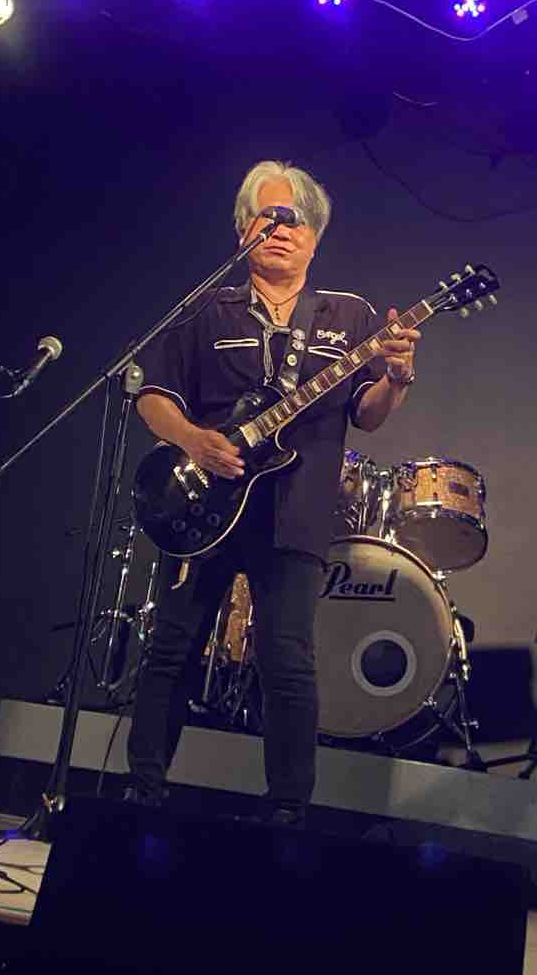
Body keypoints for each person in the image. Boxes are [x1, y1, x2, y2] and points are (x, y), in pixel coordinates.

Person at [126, 160, 420, 825]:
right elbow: (151, 397)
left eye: (297, 221)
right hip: (203, 505)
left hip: (296, 511)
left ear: (316, 239)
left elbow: (367, 414)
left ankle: (287, 810)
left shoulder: (349, 316)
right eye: (270, 216)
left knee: (287, 660)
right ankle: (141, 792)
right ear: (244, 231)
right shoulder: (206, 309)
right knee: (171, 649)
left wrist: (397, 377)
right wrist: (195, 440)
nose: (283, 229)